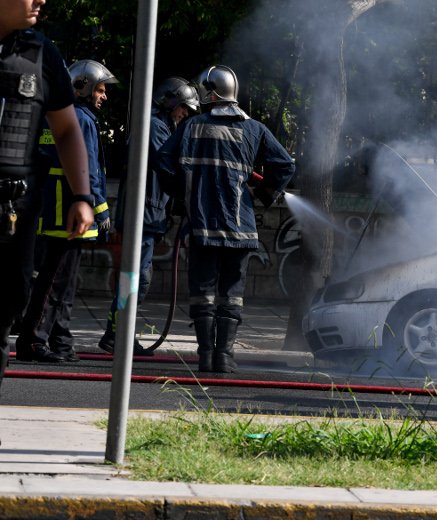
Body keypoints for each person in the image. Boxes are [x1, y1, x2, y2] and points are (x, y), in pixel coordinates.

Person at [157, 65, 295, 374]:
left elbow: (163, 161)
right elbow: (285, 165)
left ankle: (205, 355)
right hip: (240, 227)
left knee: (202, 290)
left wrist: (182, 194)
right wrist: (263, 193)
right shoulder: (255, 129)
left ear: (211, 92)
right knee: (232, 294)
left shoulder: (191, 127)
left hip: (202, 224)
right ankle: (225, 357)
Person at [0, 0, 94, 399]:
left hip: (12, 212)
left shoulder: (41, 54)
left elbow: (68, 131)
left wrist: (82, 195)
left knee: (5, 311)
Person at [14, 59, 116, 363]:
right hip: (69, 212)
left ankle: (60, 339)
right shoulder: (81, 120)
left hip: (54, 209)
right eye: (99, 89)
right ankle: (33, 341)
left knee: (62, 282)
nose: (104, 96)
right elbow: (89, 170)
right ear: (82, 88)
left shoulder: (56, 116)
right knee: (55, 282)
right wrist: (101, 210)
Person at [97, 76, 199, 356]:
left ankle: (116, 333)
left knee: (136, 277)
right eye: (183, 108)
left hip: (149, 214)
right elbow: (167, 165)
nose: (184, 114)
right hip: (142, 213)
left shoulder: (161, 126)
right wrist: (188, 186)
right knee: (136, 278)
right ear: (169, 102)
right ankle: (117, 334)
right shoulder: (155, 127)